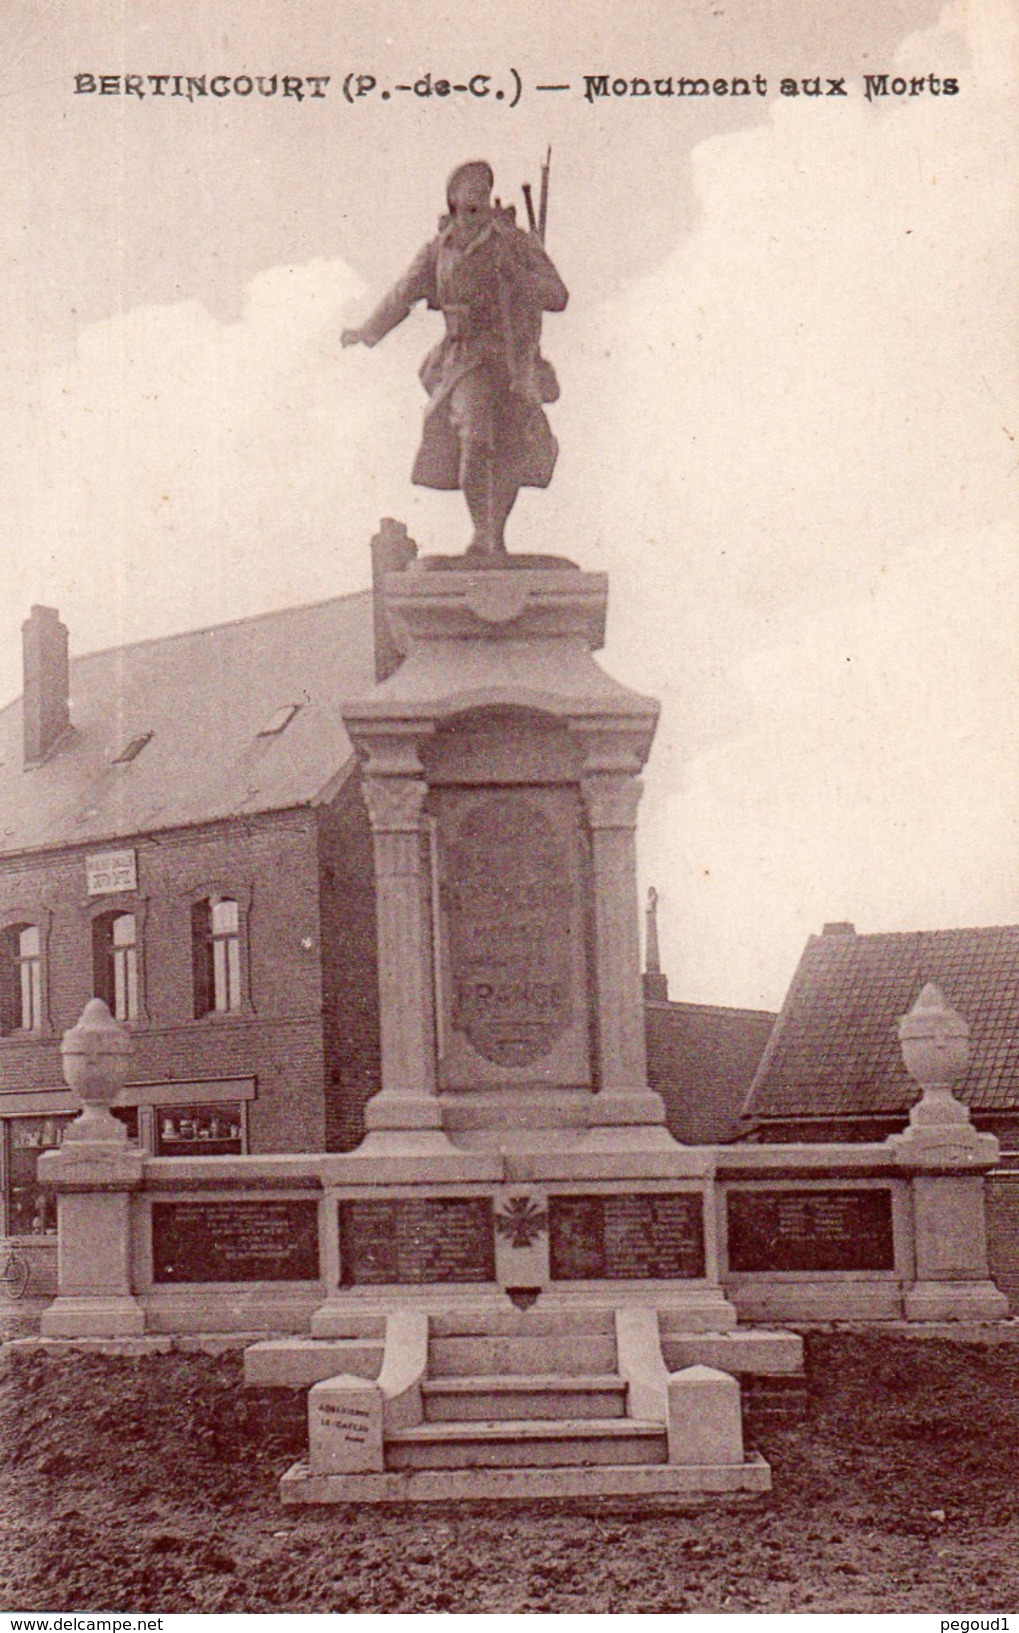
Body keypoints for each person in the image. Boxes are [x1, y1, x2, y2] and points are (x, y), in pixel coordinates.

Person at [342, 160, 568, 557]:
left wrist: (518, 276)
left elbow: (557, 295)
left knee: (511, 447)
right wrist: (367, 330)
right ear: (454, 201)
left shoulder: (512, 241)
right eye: (469, 194)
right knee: (476, 437)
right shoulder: (439, 249)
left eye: (483, 192)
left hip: (511, 360)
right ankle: (482, 532)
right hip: (464, 359)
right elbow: (404, 293)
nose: (477, 200)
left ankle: (494, 535)